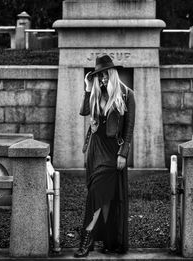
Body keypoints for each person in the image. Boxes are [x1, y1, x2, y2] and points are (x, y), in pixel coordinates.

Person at [74, 55, 135, 257]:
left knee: (102, 195)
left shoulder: (126, 95)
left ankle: (88, 239)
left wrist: (123, 153)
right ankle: (102, 240)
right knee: (98, 194)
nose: (102, 79)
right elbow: (83, 111)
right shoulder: (95, 92)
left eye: (104, 75)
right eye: (98, 76)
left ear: (112, 73)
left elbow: (129, 129)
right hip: (95, 149)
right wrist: (88, 87)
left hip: (113, 152)